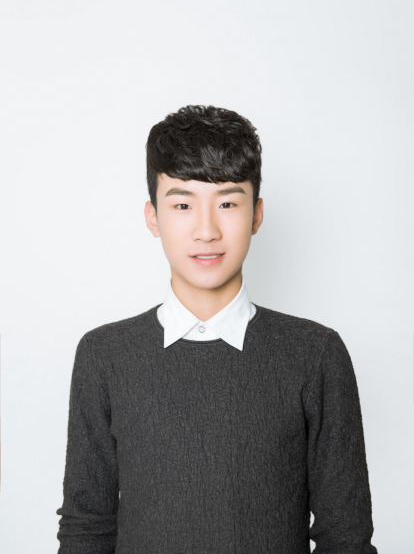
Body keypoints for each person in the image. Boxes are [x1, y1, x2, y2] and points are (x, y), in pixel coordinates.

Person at [56, 104, 378, 553]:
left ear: (256, 214)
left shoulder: (315, 354)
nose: (206, 230)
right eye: (183, 205)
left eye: (227, 203)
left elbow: (345, 536)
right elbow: (87, 527)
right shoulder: (105, 355)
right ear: (153, 217)